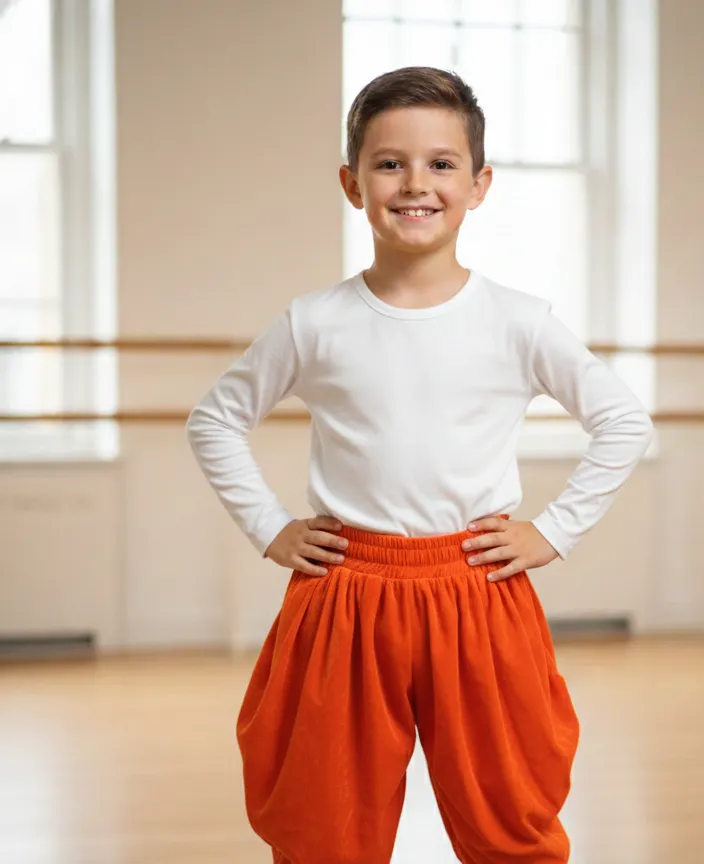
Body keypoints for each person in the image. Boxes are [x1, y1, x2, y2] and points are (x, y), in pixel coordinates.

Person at [185, 66, 654, 864]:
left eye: (441, 164)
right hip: (345, 593)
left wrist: (554, 531)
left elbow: (622, 419)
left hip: (477, 587)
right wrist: (271, 527)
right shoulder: (315, 323)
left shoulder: (518, 321)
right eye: (389, 163)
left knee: (511, 816)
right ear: (352, 182)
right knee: (323, 822)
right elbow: (215, 419)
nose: (415, 184)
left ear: (479, 185)